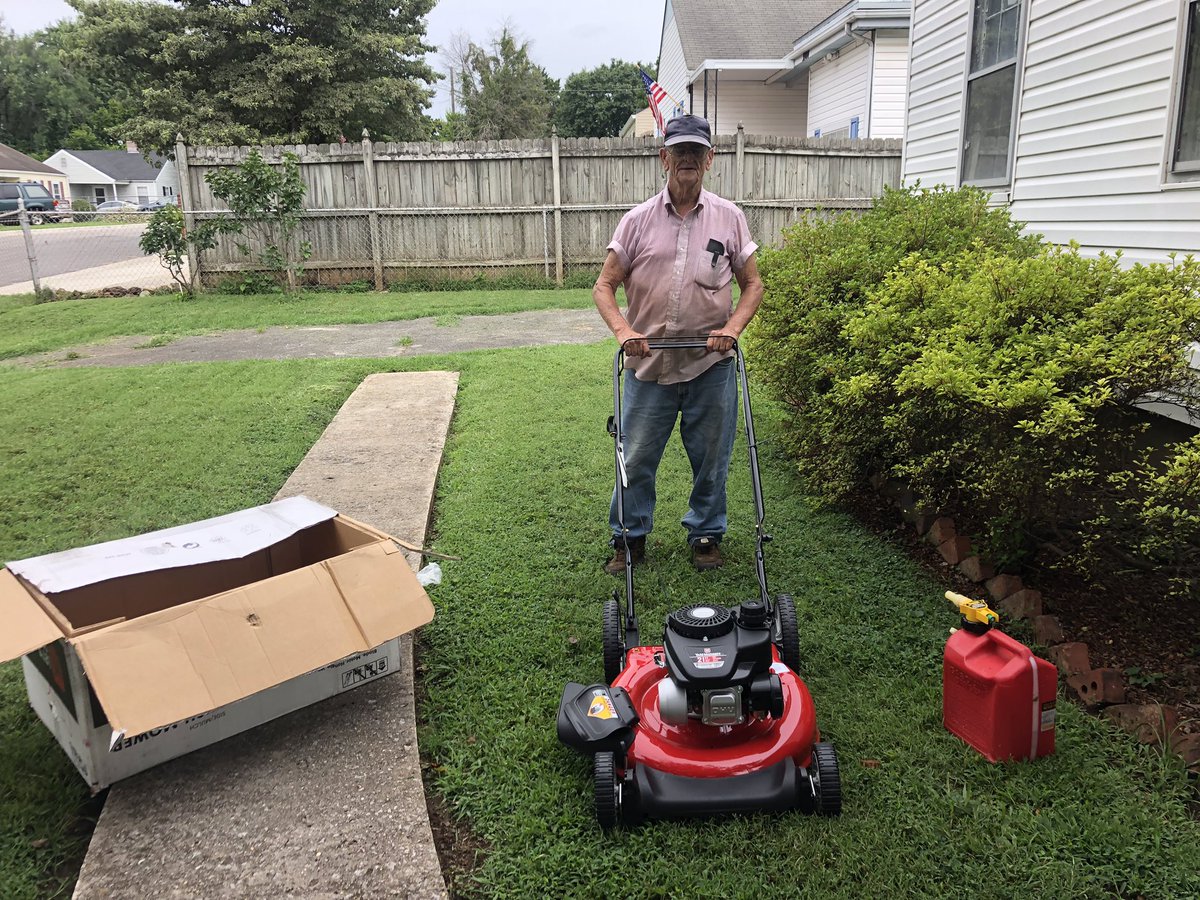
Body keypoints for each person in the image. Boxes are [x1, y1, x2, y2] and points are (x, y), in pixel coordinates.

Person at [593, 114, 764, 575]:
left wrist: (733, 327)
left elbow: (752, 284)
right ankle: (629, 540)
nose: (687, 159)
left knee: (712, 456)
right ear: (663, 157)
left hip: (711, 364)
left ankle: (706, 533)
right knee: (636, 456)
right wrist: (624, 332)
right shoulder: (636, 222)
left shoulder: (730, 218)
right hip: (649, 368)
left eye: (696, 151)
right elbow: (603, 286)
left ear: (710, 159)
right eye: (679, 150)